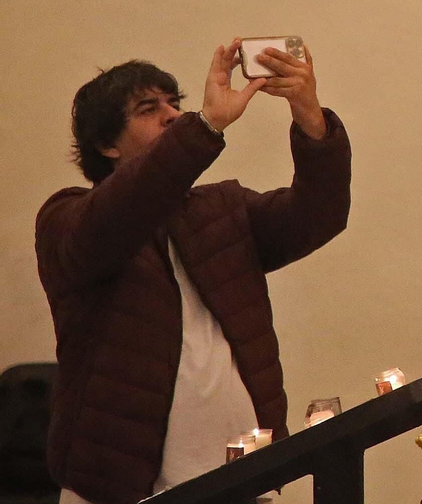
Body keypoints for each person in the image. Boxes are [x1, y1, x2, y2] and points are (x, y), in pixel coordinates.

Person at [35, 40, 352, 504]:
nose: (172, 116)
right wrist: (204, 127)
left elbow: (318, 215)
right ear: (106, 144)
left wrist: (310, 116)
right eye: (149, 109)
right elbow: (121, 210)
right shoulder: (65, 219)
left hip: (243, 480)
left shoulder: (220, 209)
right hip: (120, 491)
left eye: (174, 104)